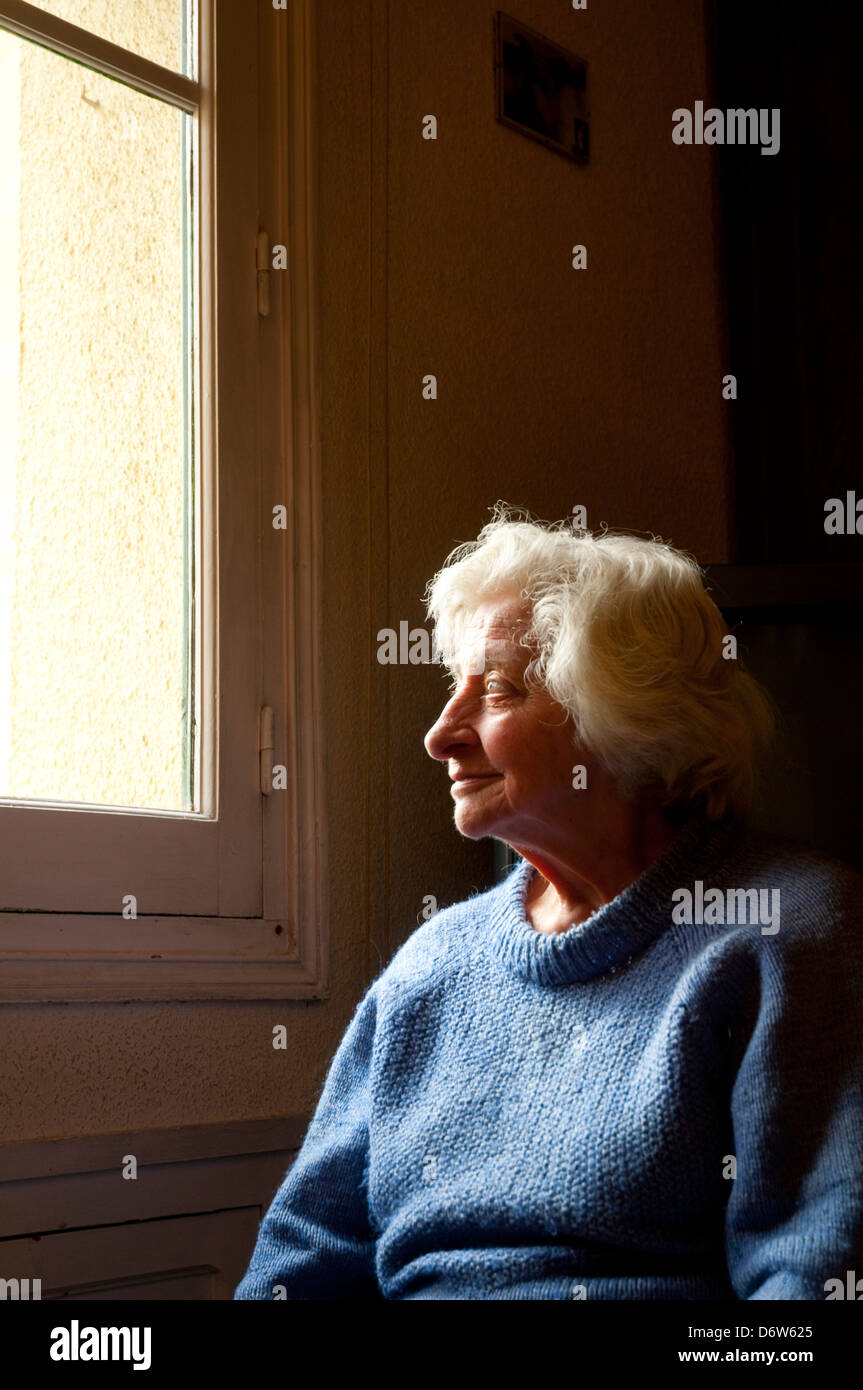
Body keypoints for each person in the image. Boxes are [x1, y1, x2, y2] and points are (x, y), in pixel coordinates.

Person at [235, 505, 863, 1300]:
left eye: (496, 691)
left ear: (625, 718)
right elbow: (303, 1256)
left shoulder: (789, 930)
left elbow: (812, 1276)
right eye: (450, 687)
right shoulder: (432, 964)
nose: (440, 734)